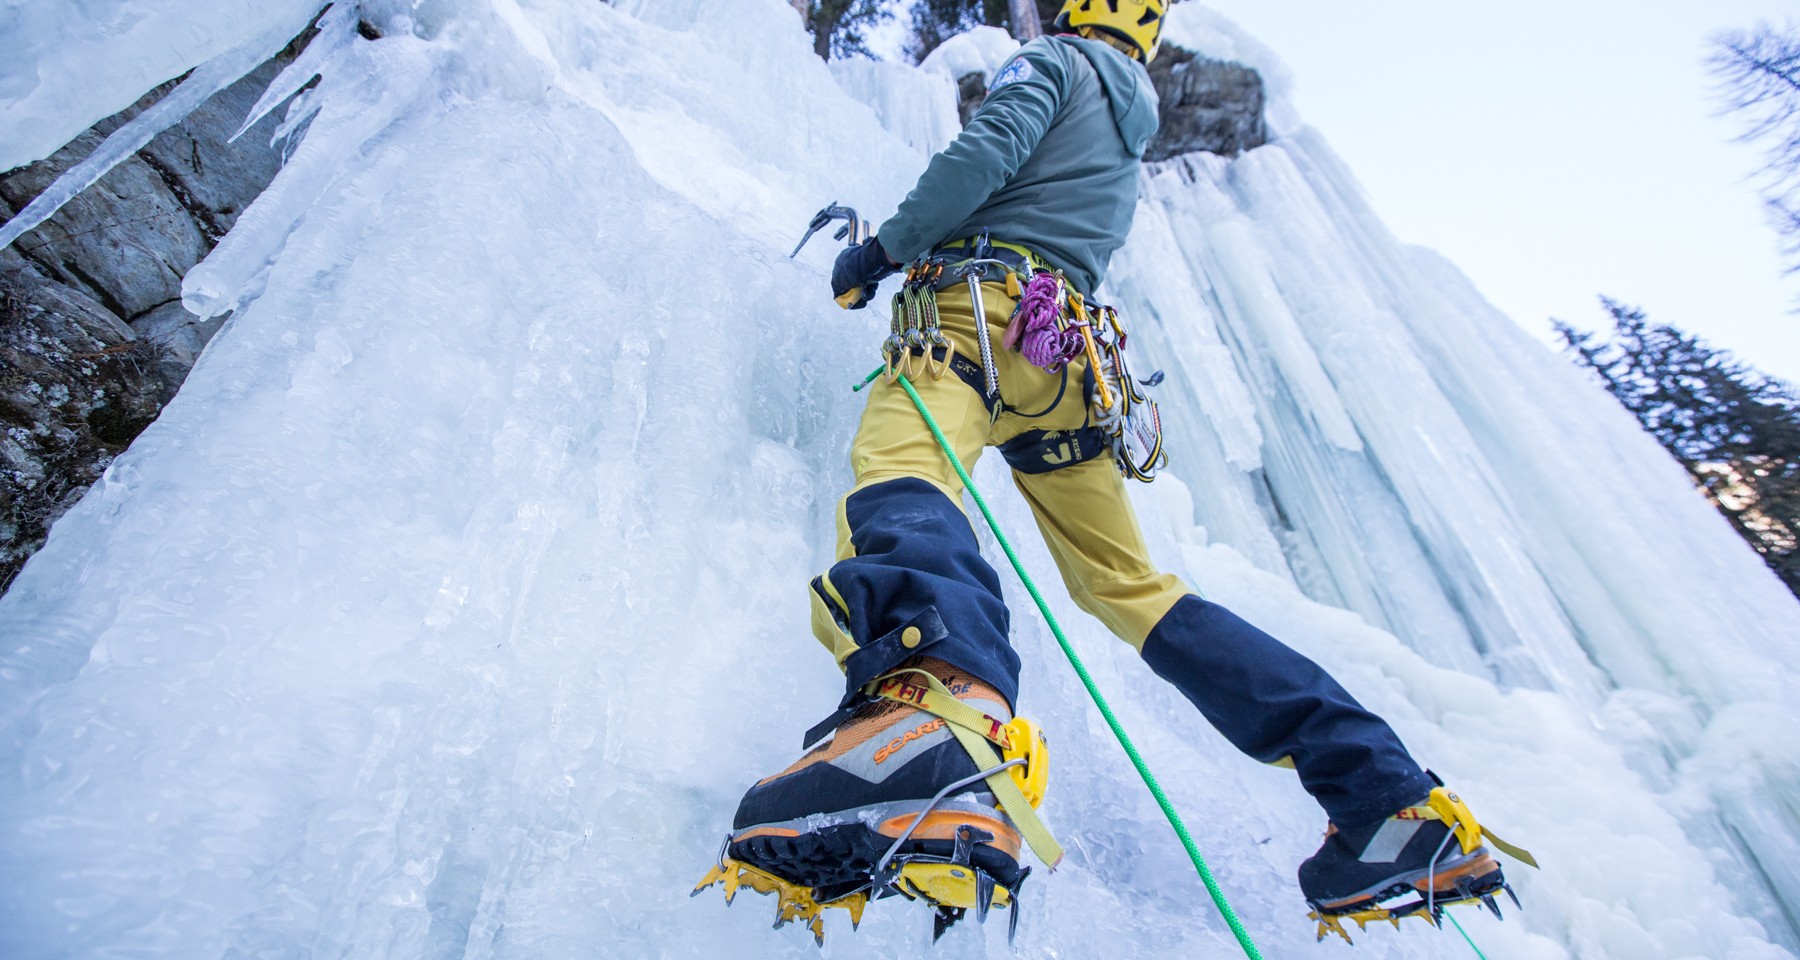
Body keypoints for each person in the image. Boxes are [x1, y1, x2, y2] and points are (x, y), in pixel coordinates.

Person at [698, 0, 1526, 943]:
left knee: (900, 474)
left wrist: (881, 251)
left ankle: (937, 710)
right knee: (1133, 588)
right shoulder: (1130, 121)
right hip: (1071, 361)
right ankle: (1382, 796)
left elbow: (984, 157)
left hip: (972, 317)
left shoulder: (1050, 64)